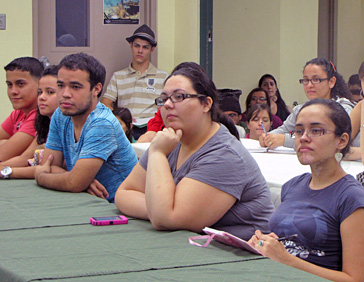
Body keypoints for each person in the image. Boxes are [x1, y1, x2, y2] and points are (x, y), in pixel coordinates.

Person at [115, 62, 274, 240]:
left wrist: (158, 155)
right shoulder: (169, 141)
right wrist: (157, 206)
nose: (167, 104)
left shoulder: (225, 154)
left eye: (179, 97)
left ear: (206, 104)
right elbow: (123, 194)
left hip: (242, 258)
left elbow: (167, 219)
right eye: (163, 98)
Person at [249, 99, 364, 281]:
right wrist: (263, 243)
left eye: (316, 130)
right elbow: (289, 244)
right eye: (299, 131)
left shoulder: (350, 197)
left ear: (342, 140)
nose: (304, 138)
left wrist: (287, 260)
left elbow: (354, 279)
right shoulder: (292, 186)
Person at [34, 53, 138, 203]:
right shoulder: (60, 114)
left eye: (75, 87)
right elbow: (50, 165)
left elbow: (70, 181)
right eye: (61, 85)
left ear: (96, 89)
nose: (65, 94)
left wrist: (41, 176)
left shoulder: (102, 123)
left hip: (118, 210)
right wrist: (79, 179)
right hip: (87, 202)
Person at [260, 58, 355, 150]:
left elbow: (325, 141)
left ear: (331, 82)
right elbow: (284, 129)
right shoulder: (301, 109)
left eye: (316, 79)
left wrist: (285, 139)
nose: (309, 85)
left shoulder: (343, 110)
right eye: (306, 80)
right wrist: (267, 136)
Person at [102, 24, 168, 139]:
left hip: (152, 128)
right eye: (137, 46)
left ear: (152, 49)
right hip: (126, 128)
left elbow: (164, 105)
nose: (140, 50)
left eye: (145, 47)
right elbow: (105, 104)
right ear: (131, 45)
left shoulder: (163, 77)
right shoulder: (118, 76)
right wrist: (121, 118)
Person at [0, 66, 59, 179]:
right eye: (40, 92)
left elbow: (50, 168)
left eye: (50, 92)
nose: (42, 97)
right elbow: (25, 158)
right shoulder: (43, 122)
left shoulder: (36, 117)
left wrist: (5, 171)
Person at [1, 57, 44, 162]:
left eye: (20, 84)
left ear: (40, 84)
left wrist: (5, 143)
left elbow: (2, 155)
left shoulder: (40, 116)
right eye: (9, 85)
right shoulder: (18, 113)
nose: (13, 91)